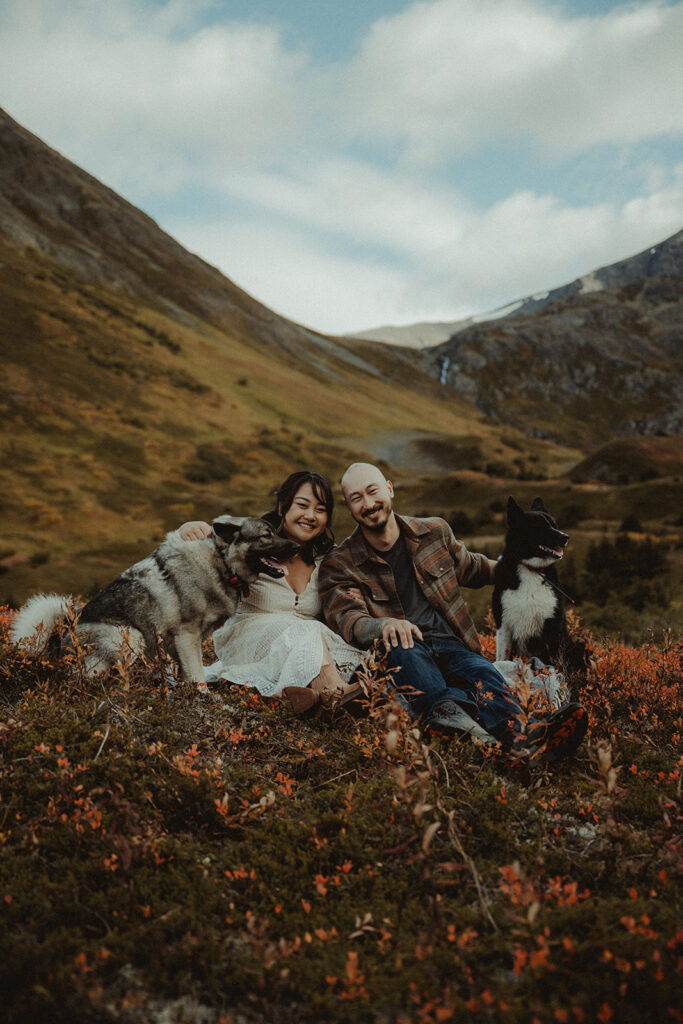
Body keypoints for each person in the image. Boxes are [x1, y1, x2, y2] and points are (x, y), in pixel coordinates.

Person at [318, 462, 588, 765]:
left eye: (373, 491)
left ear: (389, 489)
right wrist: (383, 625)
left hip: (452, 645)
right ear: (347, 505)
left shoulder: (434, 532)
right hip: (402, 651)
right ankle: (483, 742)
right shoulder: (339, 563)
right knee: (404, 645)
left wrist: (525, 566)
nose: (368, 504)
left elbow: (474, 567)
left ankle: (524, 742)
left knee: (483, 673)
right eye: (357, 498)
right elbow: (348, 616)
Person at [179, 471, 364, 714]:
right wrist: (188, 529)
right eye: (302, 505)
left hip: (309, 644)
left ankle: (305, 698)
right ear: (282, 506)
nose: (310, 515)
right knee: (306, 630)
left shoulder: (329, 559)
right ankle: (334, 693)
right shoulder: (253, 541)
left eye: (320, 510)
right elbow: (202, 554)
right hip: (250, 639)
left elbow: (347, 595)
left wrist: (356, 598)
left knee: (347, 650)